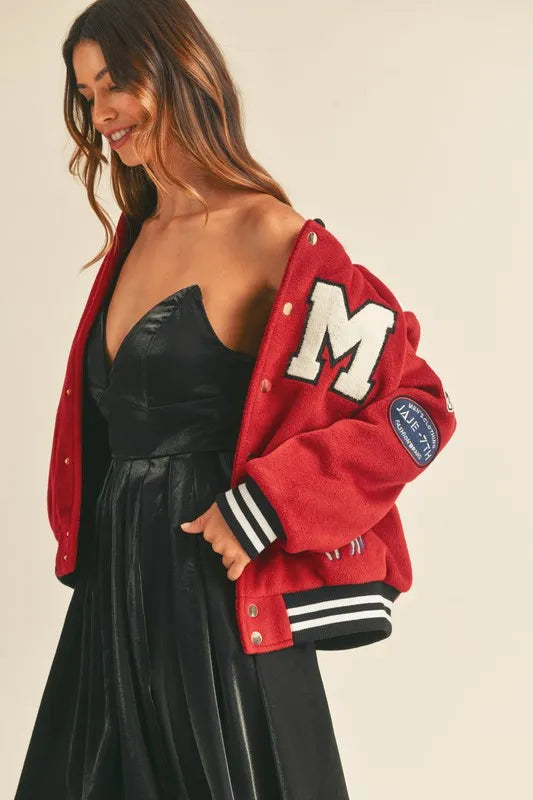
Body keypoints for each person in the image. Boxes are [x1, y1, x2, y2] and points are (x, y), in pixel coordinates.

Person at [15, 1, 354, 798]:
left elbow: (412, 403)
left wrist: (267, 507)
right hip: (114, 590)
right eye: (86, 93)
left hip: (213, 595)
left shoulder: (270, 234)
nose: (101, 113)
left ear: (179, 70)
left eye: (116, 83)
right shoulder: (135, 236)